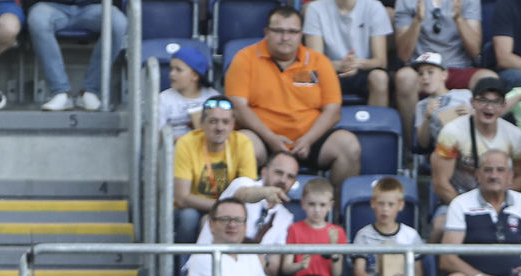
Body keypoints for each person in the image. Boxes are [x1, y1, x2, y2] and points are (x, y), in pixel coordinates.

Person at [225, 5, 362, 184]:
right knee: (243, 144)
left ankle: (337, 210)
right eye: (278, 31)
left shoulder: (319, 61)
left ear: (301, 34)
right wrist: (271, 138)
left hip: (309, 140)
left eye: (292, 31)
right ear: (267, 32)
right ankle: (244, 208)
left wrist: (308, 140)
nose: (285, 37)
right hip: (263, 139)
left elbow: (333, 110)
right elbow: (238, 107)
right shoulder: (245, 58)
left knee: (348, 145)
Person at [430, 77, 521, 240]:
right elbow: (441, 184)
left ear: (504, 106)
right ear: (472, 103)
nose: (489, 107)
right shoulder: (452, 132)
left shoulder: (514, 135)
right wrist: (466, 209)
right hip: (458, 197)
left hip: (499, 200)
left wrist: (500, 202)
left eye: (496, 101)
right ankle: (428, 264)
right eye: (483, 100)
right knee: (440, 226)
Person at [394, 0, 494, 139]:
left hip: (458, 66)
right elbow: (403, 55)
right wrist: (417, 20)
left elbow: (475, 51)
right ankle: (413, 147)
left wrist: (459, 19)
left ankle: (485, 142)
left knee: (488, 79)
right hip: (423, 68)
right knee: (404, 78)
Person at [197, 151, 300, 276]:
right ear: (264, 172)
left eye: (290, 177)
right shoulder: (243, 183)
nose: (283, 180)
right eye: (278, 173)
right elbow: (244, 194)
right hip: (212, 267)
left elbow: (272, 269)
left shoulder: (286, 217)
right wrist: (265, 193)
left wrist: (262, 261)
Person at [172, 96, 258, 248]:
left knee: (244, 217)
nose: (220, 127)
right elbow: (182, 198)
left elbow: (248, 189)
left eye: (225, 122)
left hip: (230, 209)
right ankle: (183, 268)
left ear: (232, 125)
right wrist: (221, 208)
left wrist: (225, 212)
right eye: (213, 121)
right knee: (189, 218)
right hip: (194, 208)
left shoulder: (242, 143)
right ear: (202, 124)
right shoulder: (186, 143)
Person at [28, 0, 127, 111]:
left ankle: (89, 92)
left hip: (95, 6)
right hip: (51, 5)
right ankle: (61, 92)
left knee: (118, 22)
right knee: (37, 19)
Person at [351, 177, 426, 276]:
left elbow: (419, 272)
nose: (385, 209)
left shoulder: (410, 235)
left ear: (401, 205)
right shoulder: (364, 235)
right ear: (373, 203)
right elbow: (359, 270)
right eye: (381, 203)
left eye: (391, 204)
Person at [303, 0, 393, 108]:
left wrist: (357, 63)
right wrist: (340, 65)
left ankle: (378, 124)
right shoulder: (315, 8)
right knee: (312, 76)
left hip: (364, 70)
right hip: (330, 70)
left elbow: (381, 61)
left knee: (380, 77)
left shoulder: (374, 7)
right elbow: (314, 62)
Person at [282, 178, 355, 276]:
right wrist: (300, 266)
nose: (316, 210)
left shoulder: (337, 232)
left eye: (322, 205)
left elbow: (337, 274)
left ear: (330, 206)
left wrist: (333, 249)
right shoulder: (294, 229)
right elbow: (286, 267)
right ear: (303, 203)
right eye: (311, 204)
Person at [411, 52, 477, 157]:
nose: (425, 77)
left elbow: (485, 124)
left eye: (430, 72)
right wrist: (427, 118)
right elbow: (423, 144)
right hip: (444, 153)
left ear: (444, 75)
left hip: (470, 147)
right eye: (420, 73)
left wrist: (473, 113)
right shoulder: (422, 105)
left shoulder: (464, 94)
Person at [158, 46, 219, 140]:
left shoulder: (213, 97)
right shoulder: (163, 99)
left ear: (195, 76)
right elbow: (157, 134)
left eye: (178, 70)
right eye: (171, 69)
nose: (172, 74)